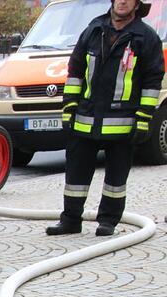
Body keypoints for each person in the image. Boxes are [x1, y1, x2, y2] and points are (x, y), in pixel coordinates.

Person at [46, 0, 163, 236]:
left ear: (136, 4)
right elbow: (75, 71)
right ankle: (70, 220)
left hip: (123, 122)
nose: (122, 1)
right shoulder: (93, 30)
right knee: (76, 176)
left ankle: (108, 221)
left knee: (115, 179)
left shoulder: (146, 38)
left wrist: (143, 118)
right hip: (85, 118)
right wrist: (69, 106)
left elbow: (152, 82)